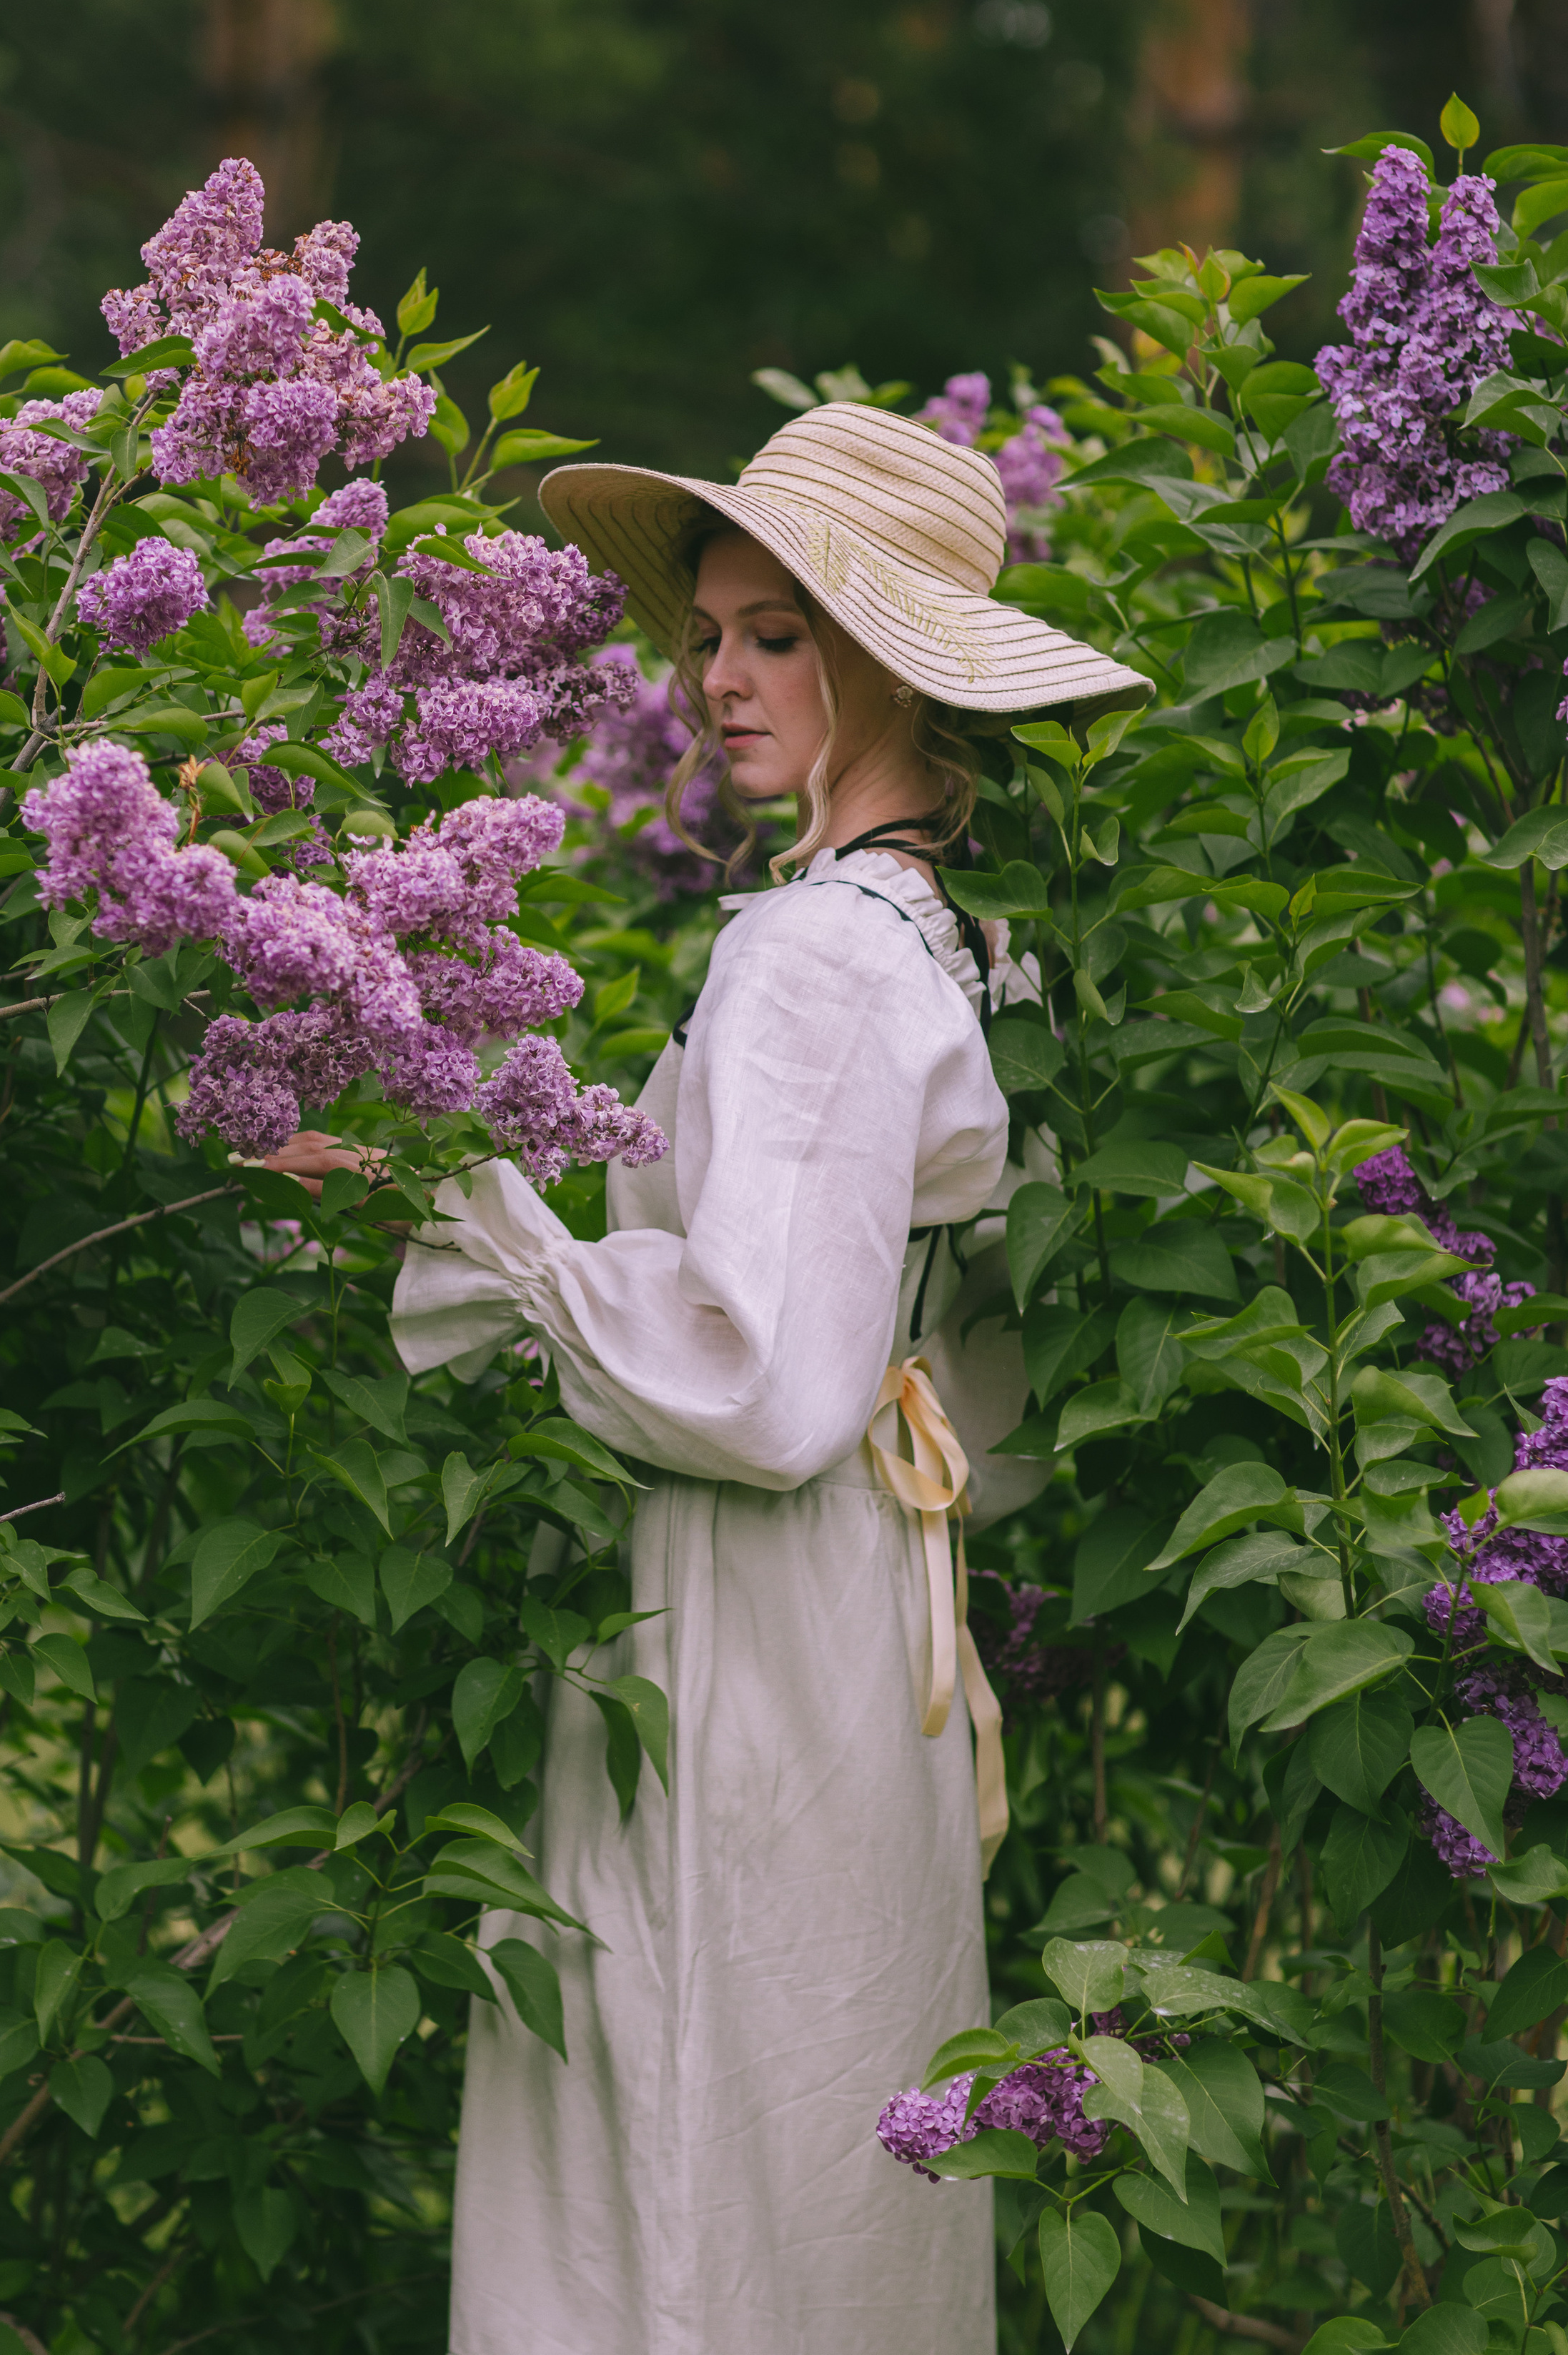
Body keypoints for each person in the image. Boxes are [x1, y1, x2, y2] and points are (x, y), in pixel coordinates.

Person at [383, 402, 1148, 2355]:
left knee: (691, 2113)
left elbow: (756, 1380)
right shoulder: (975, 948)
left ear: (887, 657)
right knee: (828, 2112)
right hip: (869, 1622)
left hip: (740, 1618)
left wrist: (478, 1231)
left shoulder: (814, 953)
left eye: (778, 635)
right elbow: (972, 1376)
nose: (717, 675)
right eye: (712, 631)